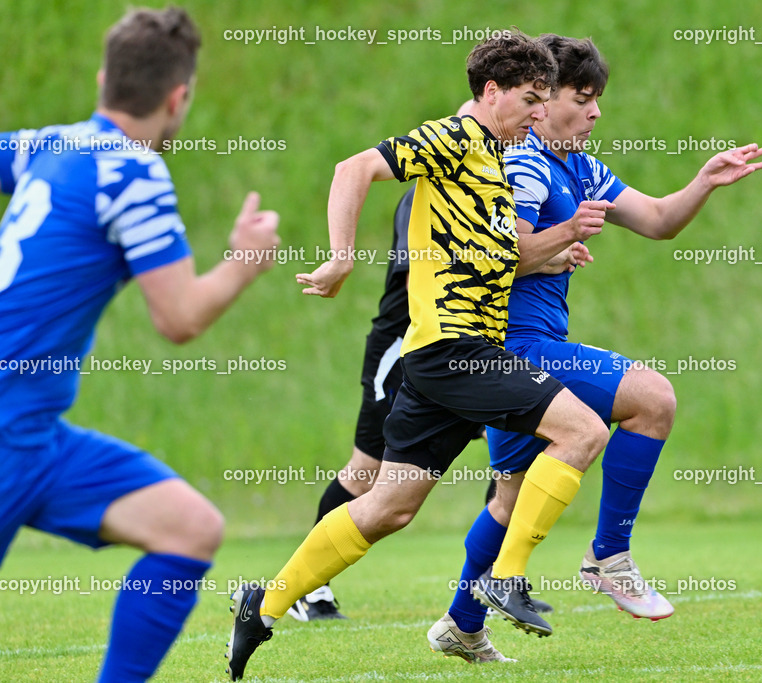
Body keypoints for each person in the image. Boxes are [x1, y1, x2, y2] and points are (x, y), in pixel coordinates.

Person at [225, 31, 613, 679]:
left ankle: (262, 605)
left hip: (442, 361)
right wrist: (341, 256)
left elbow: (499, 257)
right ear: (491, 92)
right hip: (456, 351)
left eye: (546, 100)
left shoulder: (494, 163)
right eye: (530, 99)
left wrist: (561, 240)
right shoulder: (456, 138)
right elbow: (354, 168)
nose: (541, 112)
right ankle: (507, 576)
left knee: (389, 507)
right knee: (583, 430)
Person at [430, 33, 762, 662]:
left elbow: (659, 220)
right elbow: (501, 255)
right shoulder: (525, 164)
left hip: (520, 352)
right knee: (653, 399)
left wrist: (704, 181)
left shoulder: (580, 167)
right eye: (581, 98)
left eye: (597, 100)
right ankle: (609, 555)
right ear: (543, 102)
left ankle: (461, 625)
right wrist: (561, 242)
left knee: (510, 497)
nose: (594, 112)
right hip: (516, 348)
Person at [0, 8, 280, 682]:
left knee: (188, 528)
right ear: (178, 98)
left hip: (32, 434)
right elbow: (179, 317)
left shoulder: (53, 143)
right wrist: (244, 262)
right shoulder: (133, 172)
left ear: (104, 79)